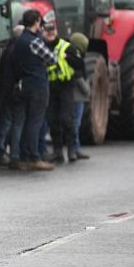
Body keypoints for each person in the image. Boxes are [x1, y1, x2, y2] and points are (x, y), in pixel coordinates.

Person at [12, 9, 57, 171]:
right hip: (37, 85)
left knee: (25, 122)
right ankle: (34, 157)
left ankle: (23, 156)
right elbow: (52, 59)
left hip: (23, 84)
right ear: (37, 21)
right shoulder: (34, 41)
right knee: (35, 122)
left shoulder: (20, 40)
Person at [43, 23, 85, 163]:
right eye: (47, 31)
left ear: (56, 31)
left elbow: (80, 65)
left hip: (65, 87)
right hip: (50, 88)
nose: (50, 33)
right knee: (52, 120)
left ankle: (72, 150)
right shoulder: (41, 47)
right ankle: (57, 151)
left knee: (66, 119)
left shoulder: (66, 47)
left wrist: (69, 58)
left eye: (52, 30)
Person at [0, 25, 25, 165]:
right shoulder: (17, 52)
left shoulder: (7, 51)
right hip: (12, 92)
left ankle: (0, 151)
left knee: (5, 122)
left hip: (5, 91)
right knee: (11, 123)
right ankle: (5, 153)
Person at [69, 32, 91, 160]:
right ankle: (75, 148)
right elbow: (78, 76)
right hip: (77, 97)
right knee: (75, 124)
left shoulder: (71, 55)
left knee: (74, 123)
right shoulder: (76, 58)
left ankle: (74, 148)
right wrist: (87, 90)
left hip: (75, 96)